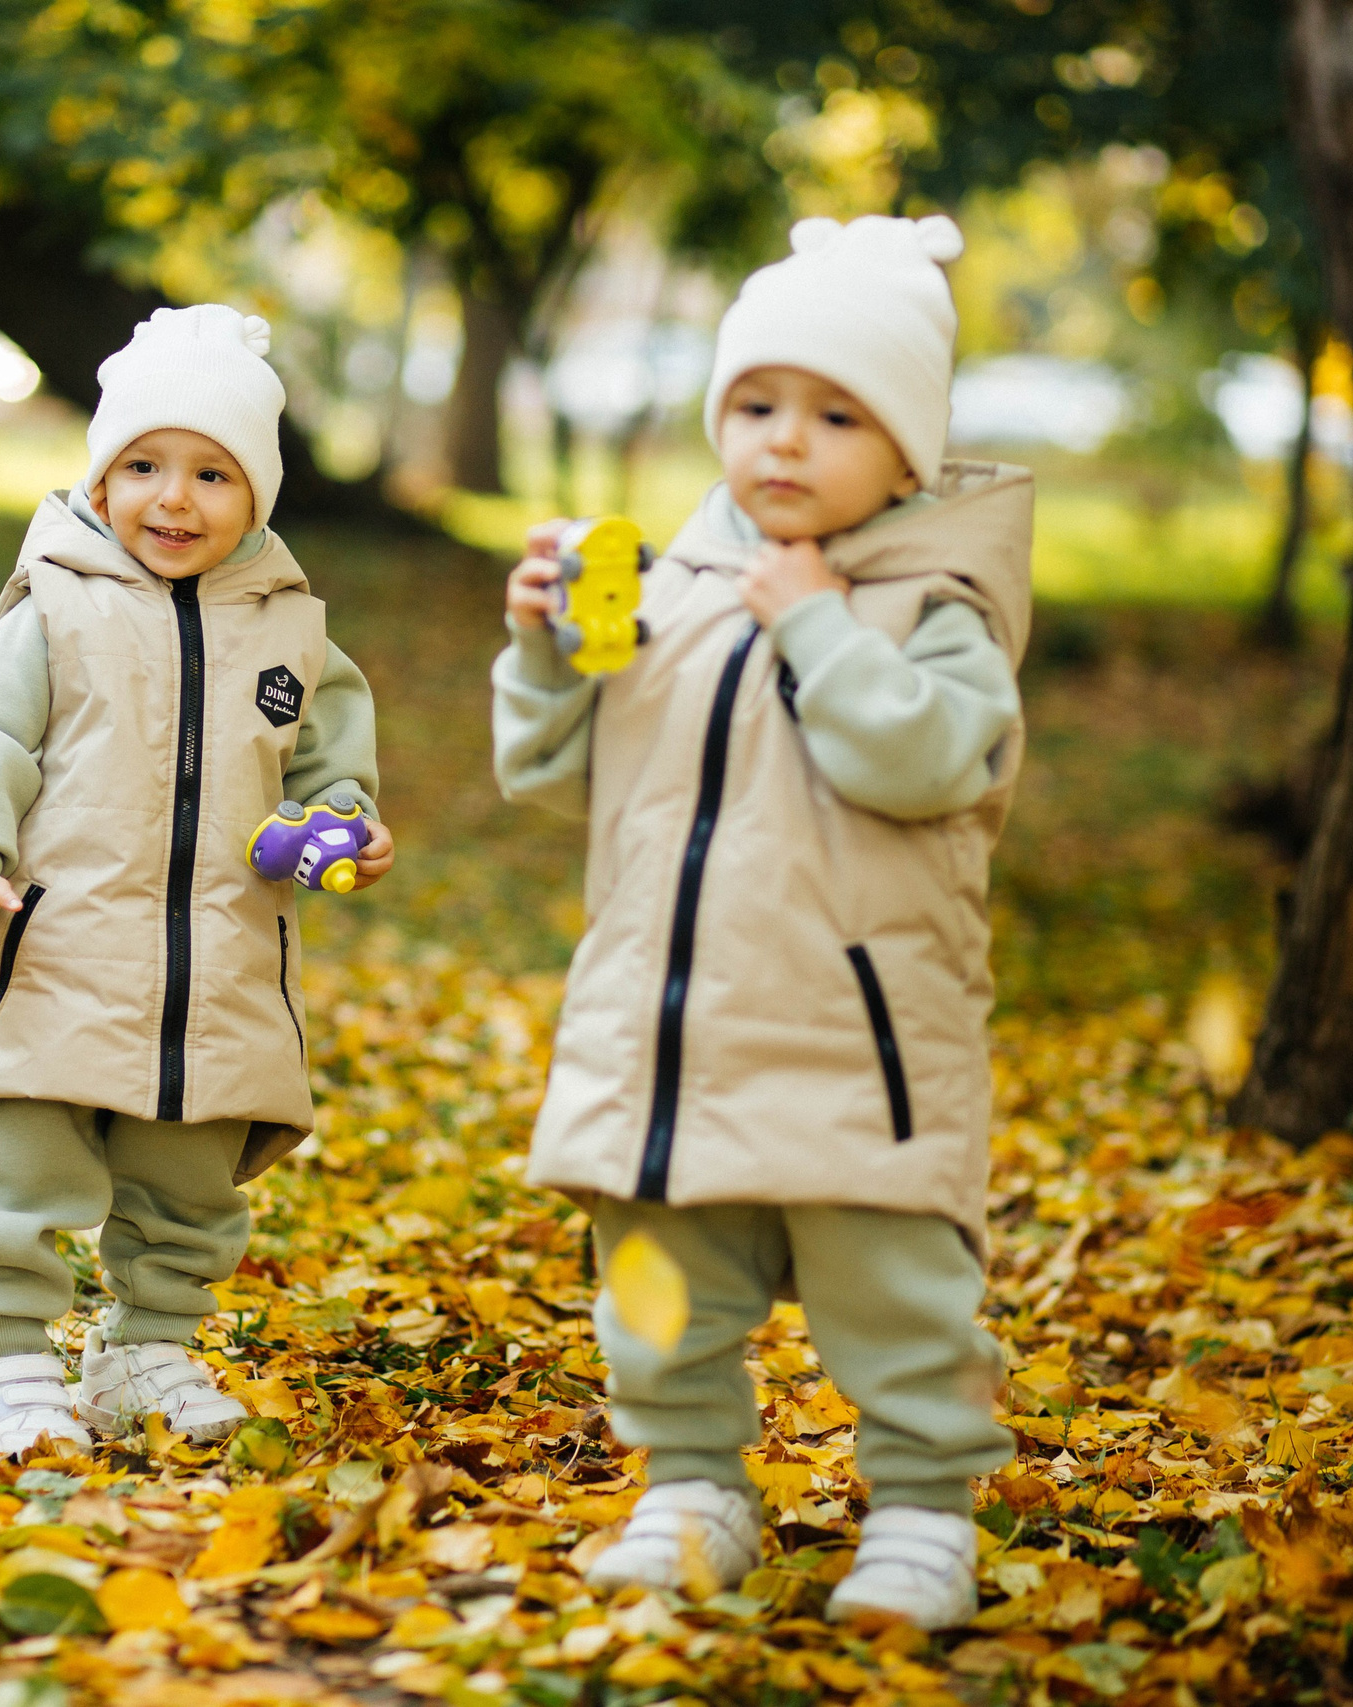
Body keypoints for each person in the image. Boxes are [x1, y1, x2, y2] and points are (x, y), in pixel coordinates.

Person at [492, 215, 1029, 1630]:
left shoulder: (934, 605)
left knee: (899, 1294)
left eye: (836, 414)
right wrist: (547, 653)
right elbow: (554, 766)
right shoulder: (675, 584)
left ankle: (922, 1507)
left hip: (859, 1036)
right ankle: (690, 1482)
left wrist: (819, 628)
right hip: (672, 1028)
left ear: (907, 449)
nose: (785, 442)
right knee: (660, 1280)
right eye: (756, 406)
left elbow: (927, 762)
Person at [0, 304, 391, 1456]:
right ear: (101, 473)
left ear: (259, 496)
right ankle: (6, 1363)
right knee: (21, 1158)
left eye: (211, 475)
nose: (172, 500)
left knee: (188, 1180)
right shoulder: (58, 603)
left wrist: (344, 829)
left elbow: (333, 773)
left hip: (219, 962)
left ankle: (147, 1346)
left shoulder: (291, 634)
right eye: (141, 466)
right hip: (57, 947)